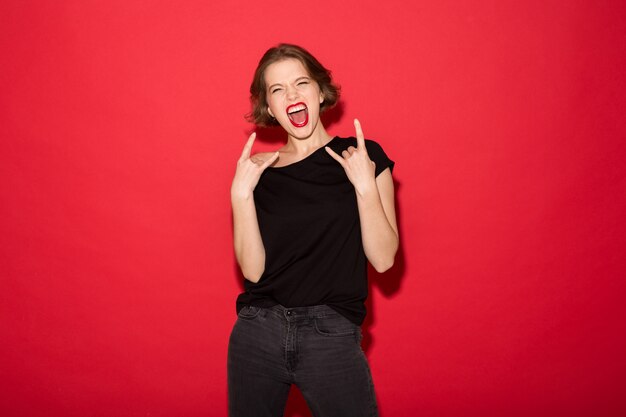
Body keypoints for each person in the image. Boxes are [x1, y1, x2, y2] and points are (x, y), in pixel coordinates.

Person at [228, 43, 399, 417]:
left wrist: (365, 187)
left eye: (301, 83)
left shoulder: (363, 157)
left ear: (320, 92)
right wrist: (240, 195)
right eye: (277, 90)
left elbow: (384, 259)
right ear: (270, 108)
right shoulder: (258, 172)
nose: (291, 95)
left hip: (330, 333)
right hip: (258, 330)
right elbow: (253, 272)